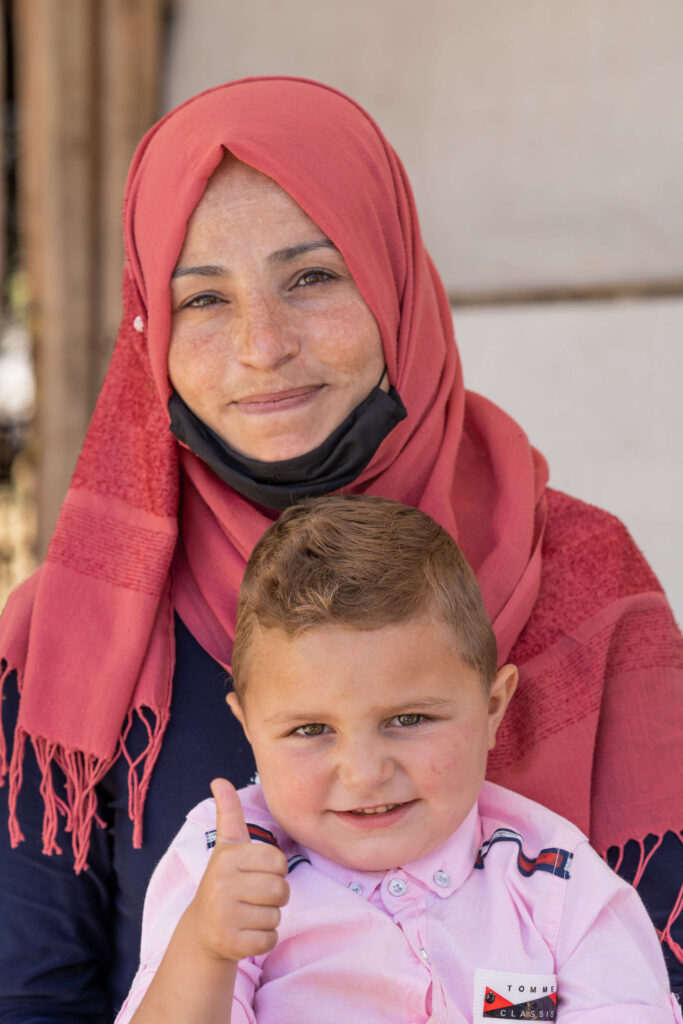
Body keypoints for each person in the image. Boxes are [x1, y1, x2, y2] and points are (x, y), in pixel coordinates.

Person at [0, 76, 680, 1021]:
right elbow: (28, 997)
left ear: (394, 277)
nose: (261, 345)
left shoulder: (579, 576)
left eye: (313, 276)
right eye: (202, 300)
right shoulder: (77, 631)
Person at [116, 495, 682, 1023]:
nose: (365, 773)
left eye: (408, 720)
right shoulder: (228, 869)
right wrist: (207, 948)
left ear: (491, 709)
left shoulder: (555, 881)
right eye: (310, 730)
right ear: (249, 729)